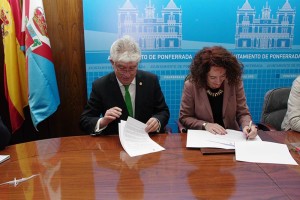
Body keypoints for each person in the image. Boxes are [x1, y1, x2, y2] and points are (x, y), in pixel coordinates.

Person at [80, 35, 170, 135]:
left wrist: (157, 121)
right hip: (115, 142)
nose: (127, 74)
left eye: (132, 68)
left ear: (138, 63)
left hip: (146, 139)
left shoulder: (150, 80)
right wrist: (103, 121)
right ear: (112, 63)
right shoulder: (100, 86)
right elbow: (85, 120)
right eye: (122, 68)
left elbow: (163, 111)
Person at [179, 46, 257, 139]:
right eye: (213, 77)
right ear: (203, 74)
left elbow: (243, 112)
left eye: (223, 75)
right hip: (203, 138)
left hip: (230, 137)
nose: (218, 81)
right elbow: (185, 117)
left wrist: (247, 126)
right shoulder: (191, 86)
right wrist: (205, 125)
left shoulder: (234, 82)